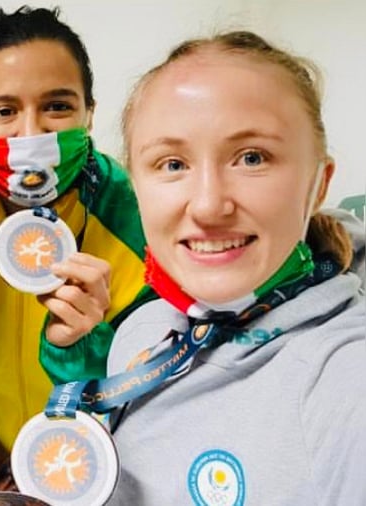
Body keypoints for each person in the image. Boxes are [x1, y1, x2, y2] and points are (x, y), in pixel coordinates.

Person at [105, 31, 366, 504]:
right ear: (136, 188)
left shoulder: (345, 376)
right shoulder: (142, 330)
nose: (208, 205)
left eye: (251, 158)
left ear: (319, 182)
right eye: (171, 164)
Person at [0, 6, 151, 499]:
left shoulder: (139, 215)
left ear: (90, 112)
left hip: (98, 469)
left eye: (58, 107)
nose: (32, 134)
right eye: (4, 111)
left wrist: (83, 346)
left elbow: (158, 376)